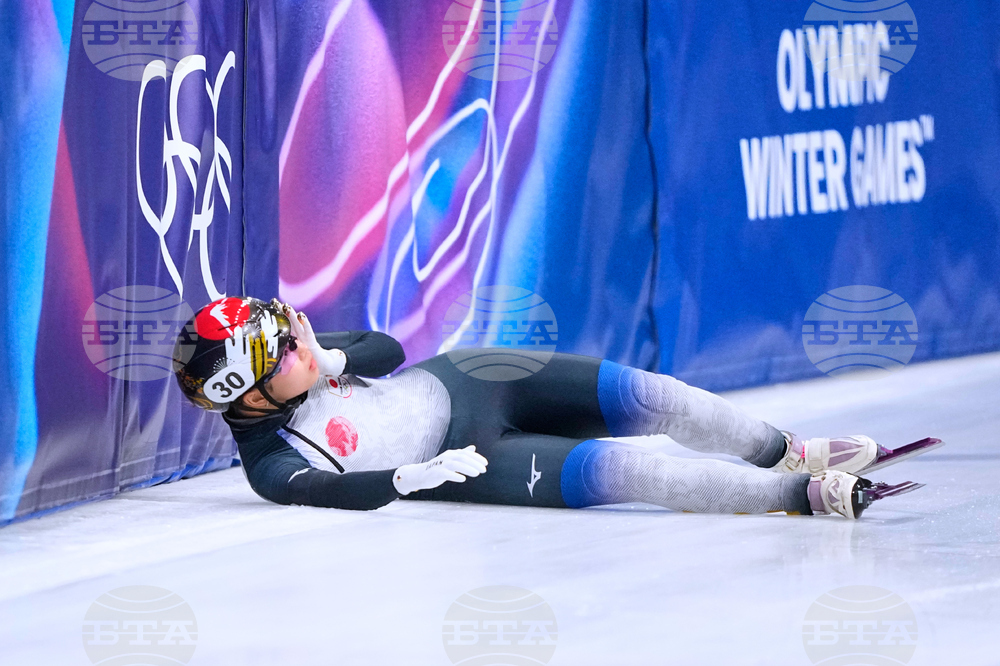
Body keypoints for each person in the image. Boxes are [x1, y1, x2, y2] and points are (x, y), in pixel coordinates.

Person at [173, 297, 935, 519]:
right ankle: (794, 494)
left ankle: (781, 448)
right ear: (252, 393)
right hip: (469, 464)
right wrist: (402, 482)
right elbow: (332, 489)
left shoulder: (302, 363)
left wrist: (334, 359)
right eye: (290, 349)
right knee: (634, 473)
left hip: (473, 375)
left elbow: (384, 349)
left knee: (651, 395)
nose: (303, 338)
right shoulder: (274, 465)